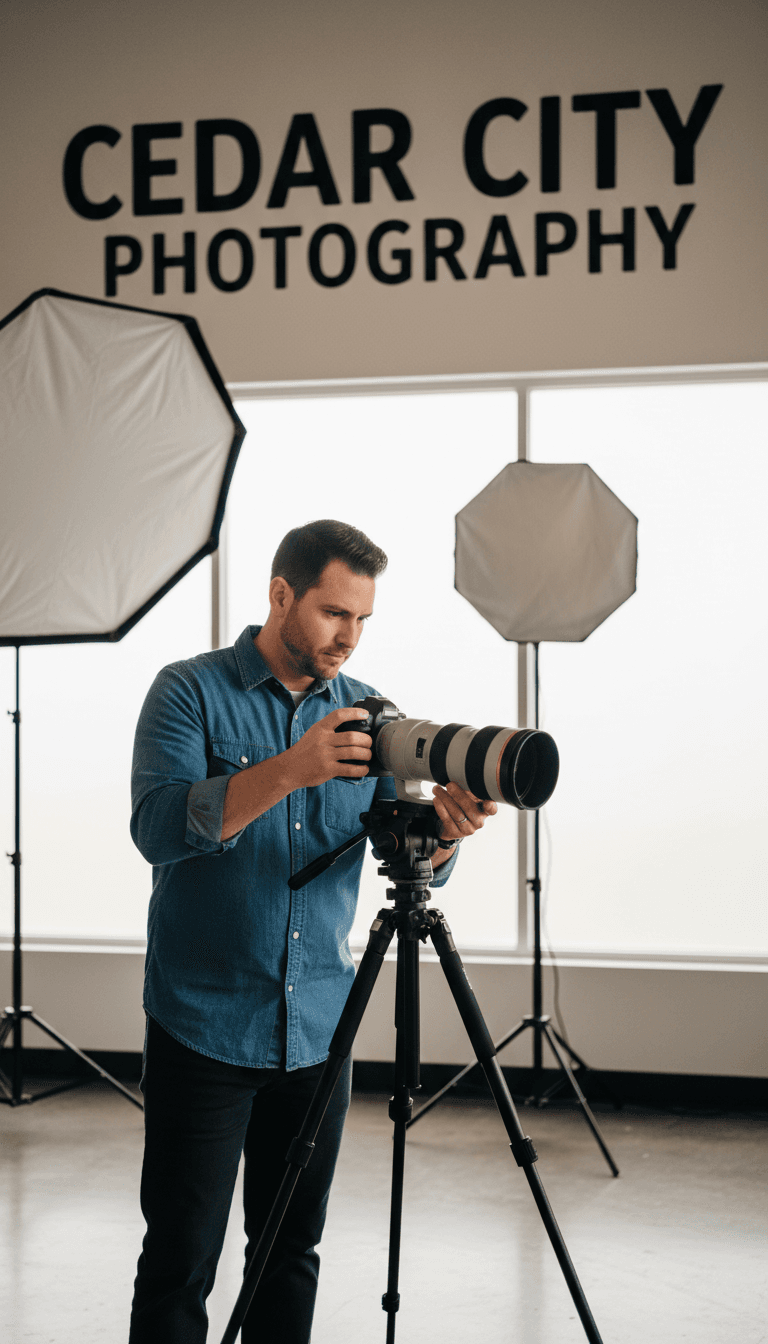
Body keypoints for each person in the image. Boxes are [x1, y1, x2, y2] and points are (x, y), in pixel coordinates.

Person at [128, 519, 496, 1343]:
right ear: (280, 595)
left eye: (362, 620)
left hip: (318, 1033)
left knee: (291, 1251)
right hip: (202, 1023)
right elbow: (157, 829)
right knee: (181, 1258)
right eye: (334, 613)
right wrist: (294, 766)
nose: (348, 637)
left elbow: (408, 860)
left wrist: (443, 834)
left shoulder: (374, 718)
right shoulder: (187, 690)